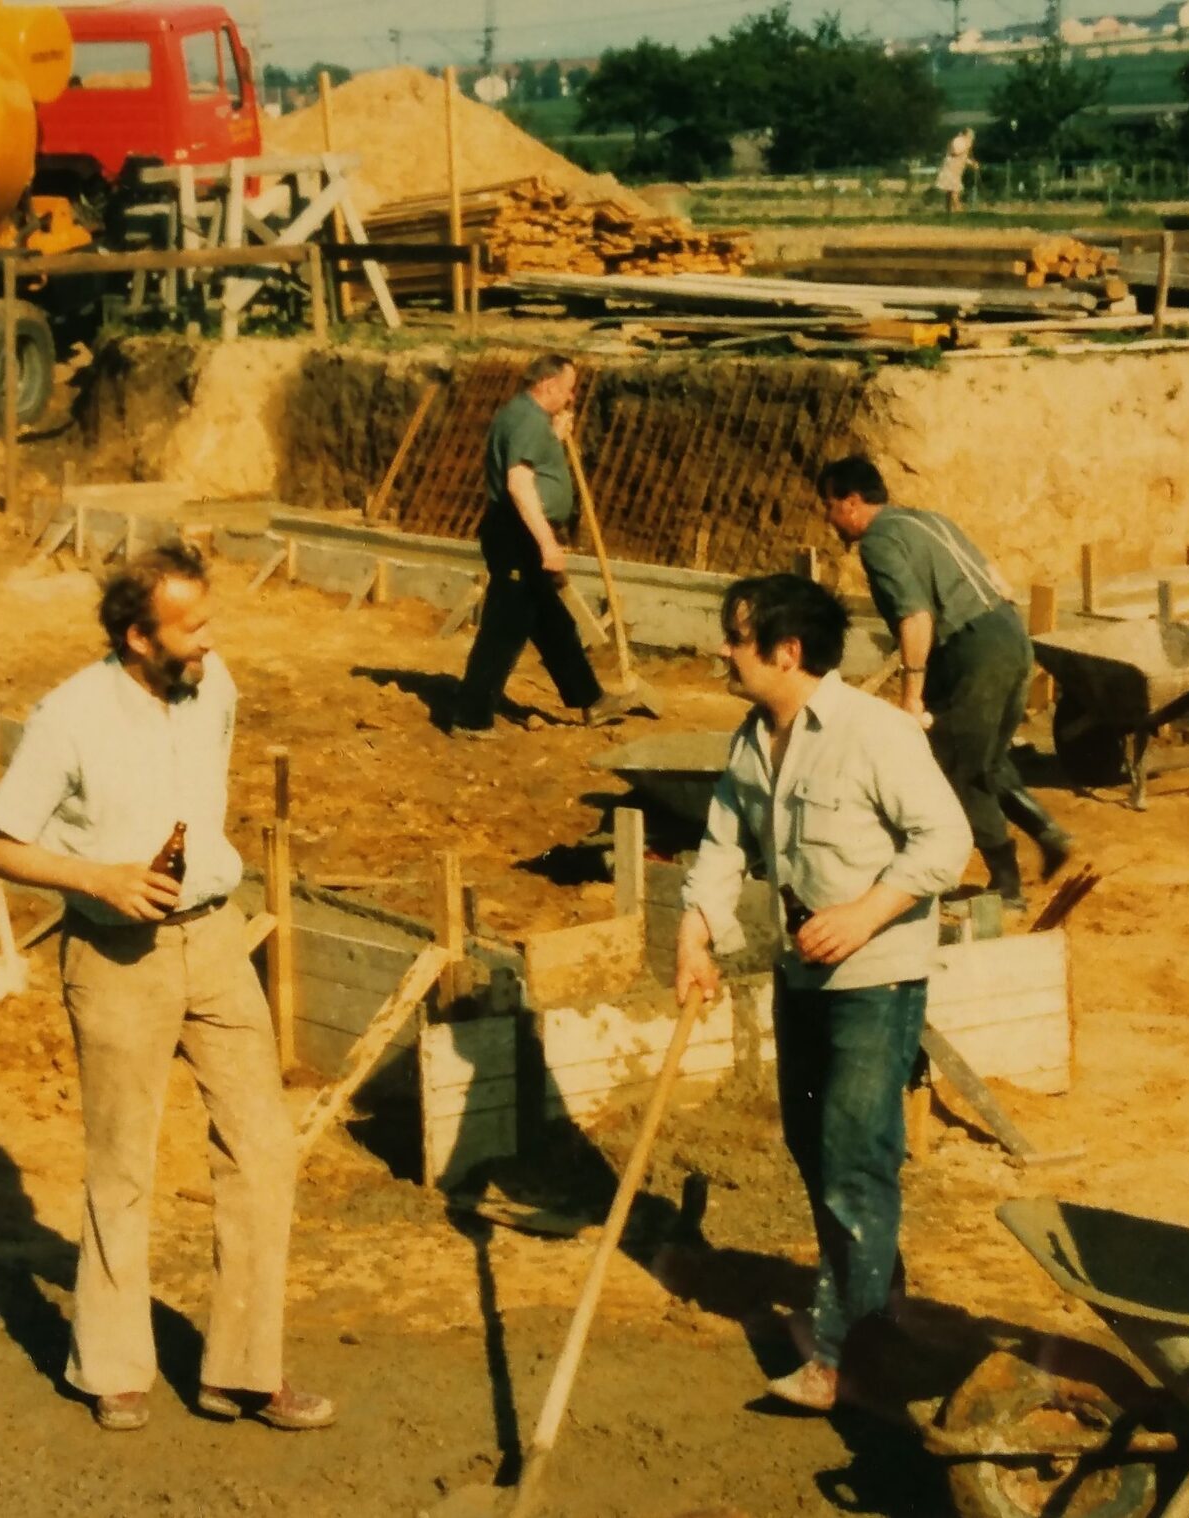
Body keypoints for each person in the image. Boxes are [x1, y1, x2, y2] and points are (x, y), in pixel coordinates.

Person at [0, 542, 335, 1435]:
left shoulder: (212, 685)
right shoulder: (69, 717)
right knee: (123, 1165)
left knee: (262, 1149)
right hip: (115, 958)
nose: (211, 639)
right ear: (139, 637)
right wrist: (98, 880)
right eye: (192, 625)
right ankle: (113, 1365)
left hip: (214, 941)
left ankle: (243, 1372)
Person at [675, 572, 969, 1412]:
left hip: (875, 980)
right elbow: (723, 843)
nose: (723, 651)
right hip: (801, 976)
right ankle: (881, 1305)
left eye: (736, 637)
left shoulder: (874, 734)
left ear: (787, 651)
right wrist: (696, 933)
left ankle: (847, 1356)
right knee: (816, 1147)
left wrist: (867, 913)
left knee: (852, 1157)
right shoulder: (752, 738)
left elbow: (946, 840)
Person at [816, 455, 1070, 909]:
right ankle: (1048, 834)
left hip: (974, 652)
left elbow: (916, 615)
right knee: (987, 757)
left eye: (830, 506)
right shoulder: (927, 520)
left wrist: (912, 696)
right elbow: (998, 581)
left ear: (852, 504)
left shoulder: (878, 542)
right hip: (1010, 636)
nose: (828, 517)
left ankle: (1007, 886)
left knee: (956, 766)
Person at [450, 352, 637, 738]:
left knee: (552, 623)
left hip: (520, 532)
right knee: (505, 626)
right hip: (519, 534)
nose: (571, 398)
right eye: (568, 390)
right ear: (547, 385)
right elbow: (519, 485)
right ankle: (470, 717)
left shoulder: (524, 417)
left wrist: (554, 437)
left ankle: (591, 700)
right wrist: (547, 543)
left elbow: (530, 462)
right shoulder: (526, 420)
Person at [935, 128, 978, 215]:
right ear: (966, 134)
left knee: (951, 191)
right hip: (950, 169)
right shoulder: (958, 141)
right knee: (954, 191)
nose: (972, 137)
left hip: (956, 171)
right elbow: (955, 152)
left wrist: (972, 164)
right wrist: (966, 147)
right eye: (971, 135)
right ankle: (958, 211)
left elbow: (963, 158)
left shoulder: (966, 143)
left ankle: (950, 212)